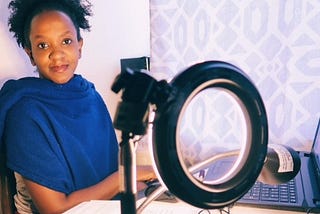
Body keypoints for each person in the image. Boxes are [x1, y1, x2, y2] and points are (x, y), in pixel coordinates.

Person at [0, 0, 156, 213]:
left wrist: (133, 183)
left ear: (79, 46)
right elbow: (55, 209)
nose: (56, 54)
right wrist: (126, 178)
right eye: (43, 45)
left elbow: (107, 171)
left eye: (65, 41)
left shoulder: (90, 95)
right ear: (30, 55)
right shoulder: (25, 114)